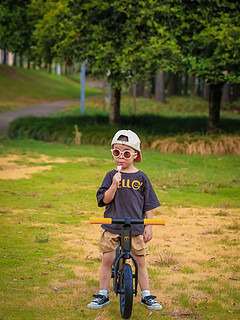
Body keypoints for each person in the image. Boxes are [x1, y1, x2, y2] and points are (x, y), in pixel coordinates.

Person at [87, 129, 162, 310]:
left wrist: (149, 226)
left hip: (135, 226)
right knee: (107, 259)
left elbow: (149, 205)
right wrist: (114, 185)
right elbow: (104, 200)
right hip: (113, 226)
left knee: (141, 260)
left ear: (136, 155)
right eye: (116, 152)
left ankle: (146, 295)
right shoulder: (110, 175)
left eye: (126, 153)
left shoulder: (141, 177)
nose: (121, 157)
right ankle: (102, 294)